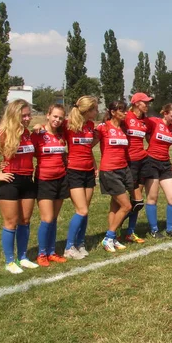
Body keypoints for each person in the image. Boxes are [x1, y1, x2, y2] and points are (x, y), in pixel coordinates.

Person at [0, 99, 39, 274]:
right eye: (24, 115)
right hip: (10, 182)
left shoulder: (27, 133)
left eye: (29, 115)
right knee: (11, 222)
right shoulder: (3, 134)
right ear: (14, 116)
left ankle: (23, 257)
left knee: (25, 221)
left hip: (28, 181)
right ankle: (10, 261)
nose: (28, 118)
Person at [32, 104, 69, 266]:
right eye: (54, 116)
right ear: (48, 115)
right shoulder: (38, 134)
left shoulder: (61, 136)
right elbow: (27, 152)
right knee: (46, 218)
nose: (57, 120)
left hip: (61, 179)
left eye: (60, 118)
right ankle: (41, 254)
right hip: (44, 180)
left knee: (54, 219)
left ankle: (52, 252)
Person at [63, 96, 99, 259]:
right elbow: (49, 131)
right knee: (81, 210)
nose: (97, 112)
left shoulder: (91, 125)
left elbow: (87, 148)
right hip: (74, 171)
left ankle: (80, 243)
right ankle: (69, 247)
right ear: (87, 110)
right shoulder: (68, 125)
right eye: (94, 109)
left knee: (86, 210)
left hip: (89, 171)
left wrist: (95, 166)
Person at [96, 101, 133, 252]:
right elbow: (87, 143)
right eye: (121, 110)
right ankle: (108, 237)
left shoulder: (123, 128)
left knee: (115, 206)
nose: (125, 113)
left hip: (122, 169)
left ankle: (114, 238)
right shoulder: (103, 127)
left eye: (125, 110)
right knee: (127, 206)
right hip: (109, 170)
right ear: (112, 112)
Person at [142, 103, 172, 238]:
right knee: (152, 197)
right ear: (165, 113)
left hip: (165, 163)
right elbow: (145, 132)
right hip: (151, 162)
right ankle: (154, 229)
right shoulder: (154, 122)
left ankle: (170, 229)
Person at [122, 92, 154, 244]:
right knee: (122, 201)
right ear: (135, 103)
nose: (147, 105)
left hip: (142, 161)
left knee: (137, 202)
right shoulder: (125, 117)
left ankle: (130, 232)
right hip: (129, 163)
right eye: (145, 102)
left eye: (148, 102)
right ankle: (114, 230)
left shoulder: (146, 121)